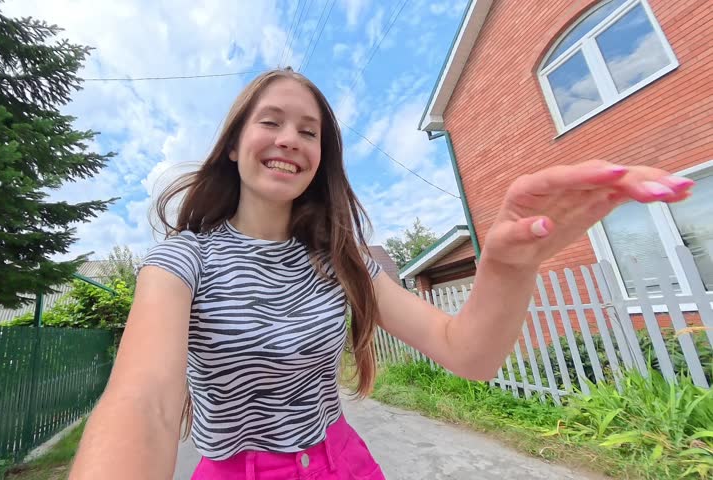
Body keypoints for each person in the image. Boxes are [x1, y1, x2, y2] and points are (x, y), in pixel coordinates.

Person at [68, 68, 694, 480]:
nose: (290, 139)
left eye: (309, 132)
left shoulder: (342, 259)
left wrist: (508, 264)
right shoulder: (181, 261)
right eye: (272, 121)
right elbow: (144, 401)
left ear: (321, 157)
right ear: (234, 144)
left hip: (344, 462)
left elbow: (466, 353)